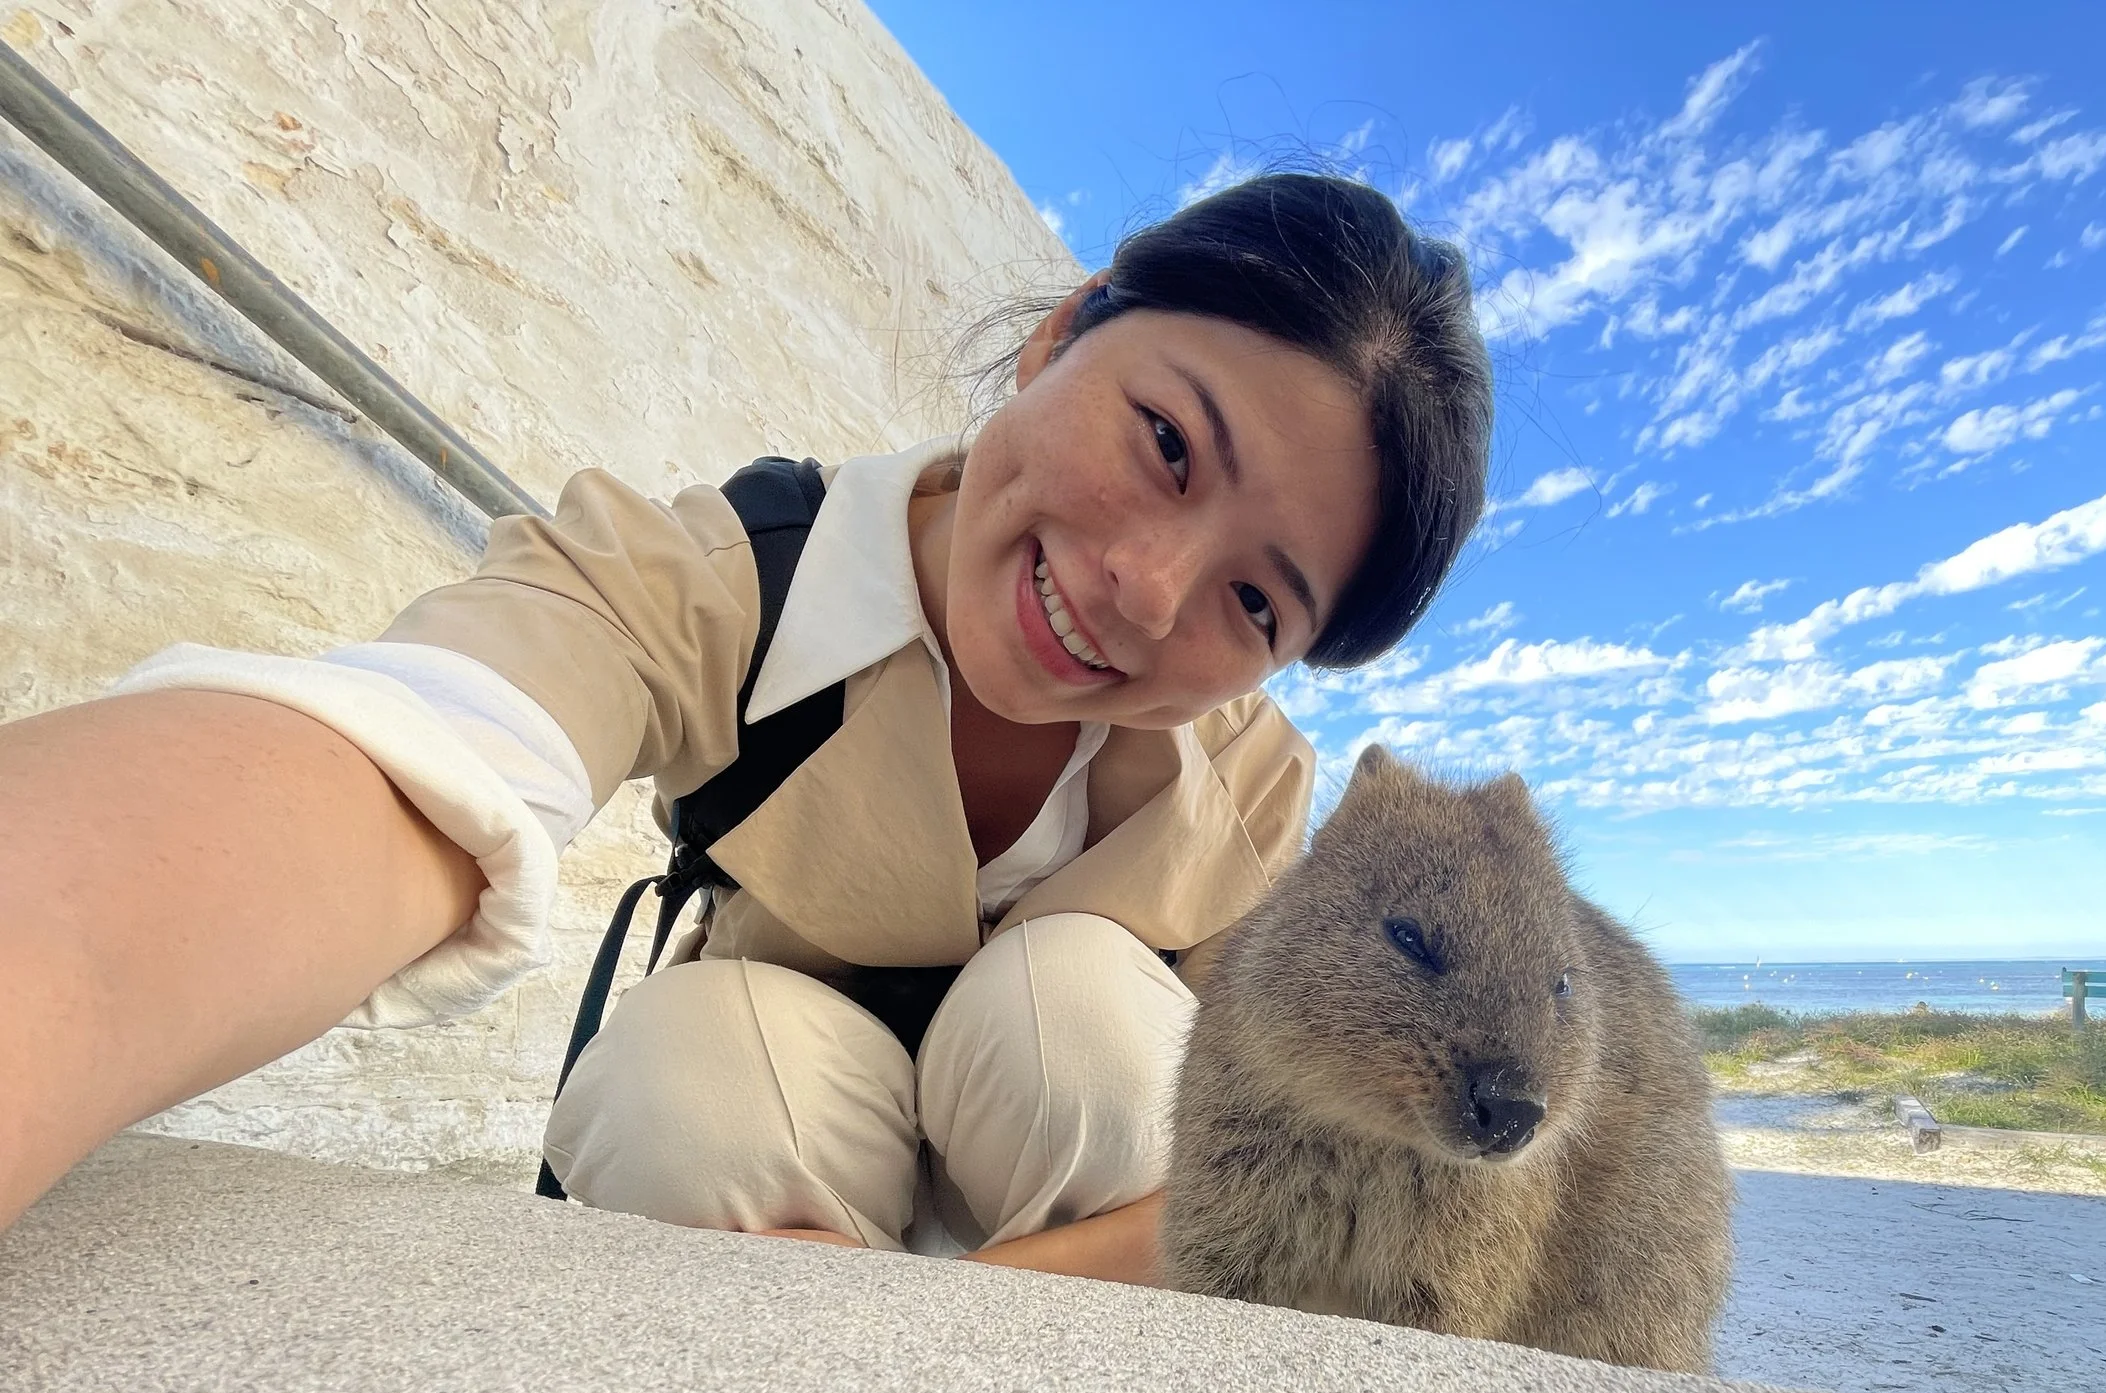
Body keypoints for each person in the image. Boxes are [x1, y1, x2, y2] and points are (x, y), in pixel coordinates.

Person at [0, 172, 1494, 1274]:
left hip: (1038, 1311)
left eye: (1256, 605)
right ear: (1059, 338)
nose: (1146, 591)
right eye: (1166, 442)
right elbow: (404, 758)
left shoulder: (1256, 796)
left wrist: (930, 1314)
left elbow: (1292, 1171)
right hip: (759, 1178)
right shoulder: (712, 582)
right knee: (684, 1076)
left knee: (1089, 1024)